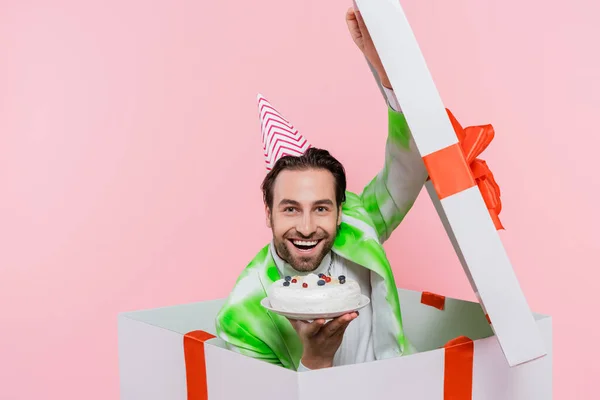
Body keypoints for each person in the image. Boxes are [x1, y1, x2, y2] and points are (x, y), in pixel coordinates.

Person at [214, 7, 428, 371]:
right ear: (268, 212)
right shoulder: (242, 315)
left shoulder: (359, 226)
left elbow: (410, 168)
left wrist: (388, 74)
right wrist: (315, 360)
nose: (308, 227)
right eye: (291, 208)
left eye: (322, 208)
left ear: (341, 211)